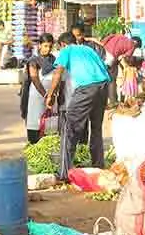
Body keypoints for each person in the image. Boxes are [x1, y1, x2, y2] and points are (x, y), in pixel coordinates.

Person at [45, 32, 111, 180]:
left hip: (87, 87)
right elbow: (103, 67)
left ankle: (64, 173)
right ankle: (98, 165)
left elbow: (58, 73)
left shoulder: (67, 50)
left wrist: (50, 95)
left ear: (63, 45)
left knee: (69, 128)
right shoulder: (88, 49)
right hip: (103, 85)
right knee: (96, 129)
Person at [20, 34, 56, 144]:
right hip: (36, 96)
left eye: (50, 46)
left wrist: (51, 95)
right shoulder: (33, 61)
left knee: (49, 125)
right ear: (39, 45)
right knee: (35, 124)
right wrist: (45, 95)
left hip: (50, 97)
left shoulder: (54, 60)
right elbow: (35, 79)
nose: (48, 49)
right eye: (45, 46)